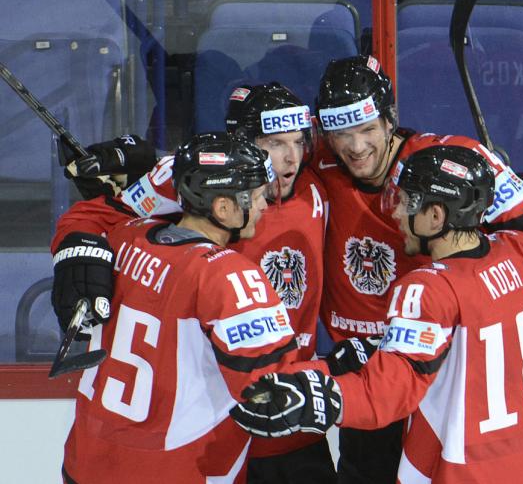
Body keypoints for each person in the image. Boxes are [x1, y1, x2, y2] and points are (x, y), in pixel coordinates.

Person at [230, 145, 523, 484]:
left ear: (436, 215)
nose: (396, 213)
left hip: (461, 473)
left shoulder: (427, 288)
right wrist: (381, 346)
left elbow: (388, 395)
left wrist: (316, 396)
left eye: (406, 203)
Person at [53, 84, 349, 483]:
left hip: (285, 418)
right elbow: (93, 217)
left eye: (299, 142)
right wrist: (77, 245)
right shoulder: (193, 180)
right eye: (274, 144)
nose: (291, 157)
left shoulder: (319, 177)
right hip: (221, 416)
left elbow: (363, 138)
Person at [309, 54, 523, 483]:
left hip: (442, 383)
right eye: (341, 133)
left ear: (389, 119)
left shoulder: (450, 165)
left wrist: (519, 312)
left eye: (366, 129)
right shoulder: (315, 162)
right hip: (368, 379)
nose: (355, 147)